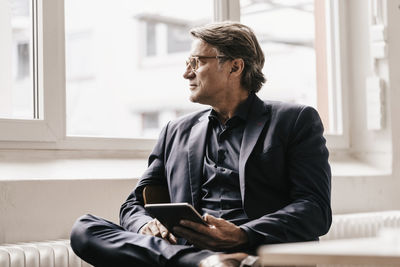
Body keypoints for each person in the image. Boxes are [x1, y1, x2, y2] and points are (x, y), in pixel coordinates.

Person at [70, 21, 332, 267]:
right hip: (187, 251)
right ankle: (201, 263)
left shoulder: (295, 120)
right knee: (85, 229)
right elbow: (133, 206)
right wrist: (143, 226)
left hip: (253, 250)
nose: (186, 73)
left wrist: (242, 234)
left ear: (234, 67)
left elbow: (315, 209)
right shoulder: (175, 131)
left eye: (196, 62)